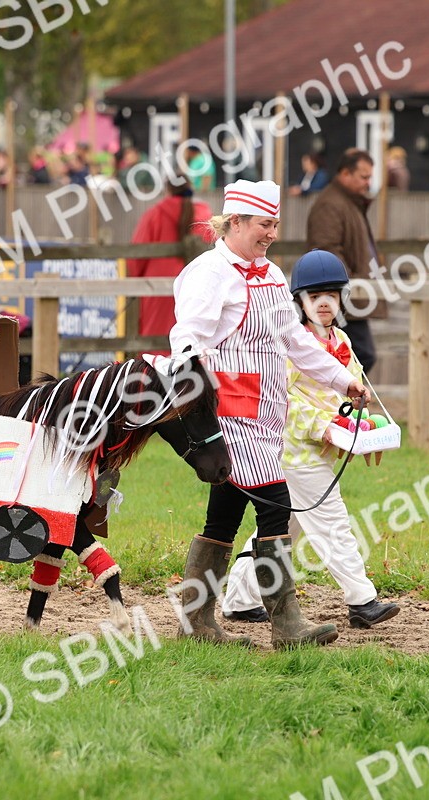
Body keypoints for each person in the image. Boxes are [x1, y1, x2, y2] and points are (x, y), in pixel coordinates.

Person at [170, 179, 369, 649]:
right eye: (265, 224)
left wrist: (343, 380)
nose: (272, 233)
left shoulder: (274, 276)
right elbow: (187, 338)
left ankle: (196, 623)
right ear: (234, 222)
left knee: (224, 515)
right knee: (276, 502)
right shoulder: (208, 273)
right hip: (226, 415)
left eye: (276, 224)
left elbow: (296, 342)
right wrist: (193, 399)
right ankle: (287, 626)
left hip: (265, 416)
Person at [220, 249, 400, 629]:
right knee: (333, 522)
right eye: (314, 295)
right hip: (294, 452)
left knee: (283, 529)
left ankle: (239, 598)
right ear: (298, 301)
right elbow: (283, 400)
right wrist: (324, 426)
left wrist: (364, 426)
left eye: (331, 295)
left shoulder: (343, 342)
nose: (323, 303)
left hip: (323, 449)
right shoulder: (291, 345)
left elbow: (349, 395)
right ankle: (361, 599)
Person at [305, 148, 384, 372]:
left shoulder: (346, 202)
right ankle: (339, 403)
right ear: (345, 174)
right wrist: (346, 285)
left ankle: (340, 402)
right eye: (364, 176)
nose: (368, 183)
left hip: (348, 296)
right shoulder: (331, 205)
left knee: (351, 357)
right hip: (342, 298)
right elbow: (326, 251)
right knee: (358, 356)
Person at [125, 175, 213, 354]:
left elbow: (136, 255)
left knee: (154, 344)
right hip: (197, 286)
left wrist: (134, 282)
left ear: (168, 190)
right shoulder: (205, 216)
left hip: (156, 288)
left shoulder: (155, 213)